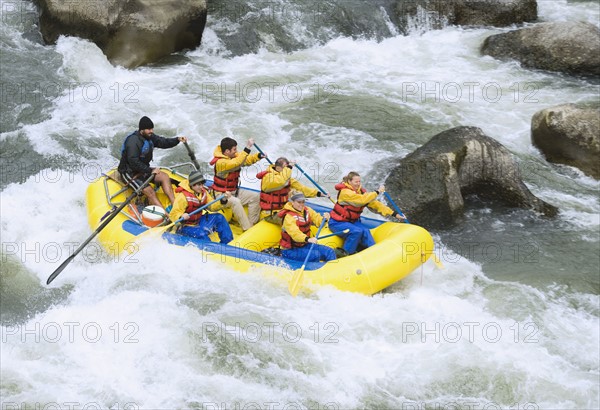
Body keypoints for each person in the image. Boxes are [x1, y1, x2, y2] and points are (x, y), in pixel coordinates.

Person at [329, 171, 406, 256]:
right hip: (337, 222)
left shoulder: (361, 192)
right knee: (356, 231)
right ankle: (345, 254)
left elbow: (375, 204)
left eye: (359, 181)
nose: (358, 184)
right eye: (356, 182)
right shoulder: (345, 193)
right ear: (349, 182)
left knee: (365, 231)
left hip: (351, 222)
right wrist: (377, 192)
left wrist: (394, 214)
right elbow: (362, 200)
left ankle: (375, 253)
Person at [118, 116, 187, 208]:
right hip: (128, 172)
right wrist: (150, 171)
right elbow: (133, 162)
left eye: (152, 129)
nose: (151, 131)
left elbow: (163, 142)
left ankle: (175, 205)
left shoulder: (149, 137)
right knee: (150, 192)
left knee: (164, 177)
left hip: (142, 170)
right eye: (149, 129)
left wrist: (177, 140)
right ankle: (166, 215)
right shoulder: (133, 141)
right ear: (142, 129)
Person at [209, 137, 266, 231]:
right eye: (234, 149)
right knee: (236, 202)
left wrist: (258, 156)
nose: (236, 152)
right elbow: (236, 163)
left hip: (234, 192)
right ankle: (247, 229)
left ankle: (251, 224)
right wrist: (247, 147)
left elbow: (245, 160)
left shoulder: (233, 156)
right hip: (222, 195)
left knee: (255, 196)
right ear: (227, 151)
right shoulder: (221, 163)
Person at [256, 157, 328, 223]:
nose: (287, 170)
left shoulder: (286, 178)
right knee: (295, 218)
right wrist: (290, 166)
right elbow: (281, 181)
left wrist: (319, 194)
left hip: (283, 209)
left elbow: (302, 189)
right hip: (270, 214)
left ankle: (322, 222)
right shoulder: (268, 178)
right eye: (285, 168)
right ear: (278, 168)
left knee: (306, 210)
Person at [168, 171, 233, 244]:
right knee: (201, 234)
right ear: (192, 185)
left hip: (198, 221)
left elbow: (212, 206)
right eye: (198, 185)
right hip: (185, 227)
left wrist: (223, 200)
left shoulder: (203, 193)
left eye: (202, 184)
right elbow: (173, 214)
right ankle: (211, 249)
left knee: (219, 218)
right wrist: (181, 216)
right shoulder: (182, 197)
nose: (201, 187)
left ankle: (227, 243)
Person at [278, 192, 336, 263]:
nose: (301, 205)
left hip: (304, 245)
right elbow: (295, 234)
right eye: (299, 202)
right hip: (289, 250)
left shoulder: (307, 210)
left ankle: (332, 270)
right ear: (292, 202)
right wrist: (308, 239)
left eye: (303, 202)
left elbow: (318, 221)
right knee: (315, 255)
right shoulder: (289, 217)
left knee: (329, 251)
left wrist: (325, 219)